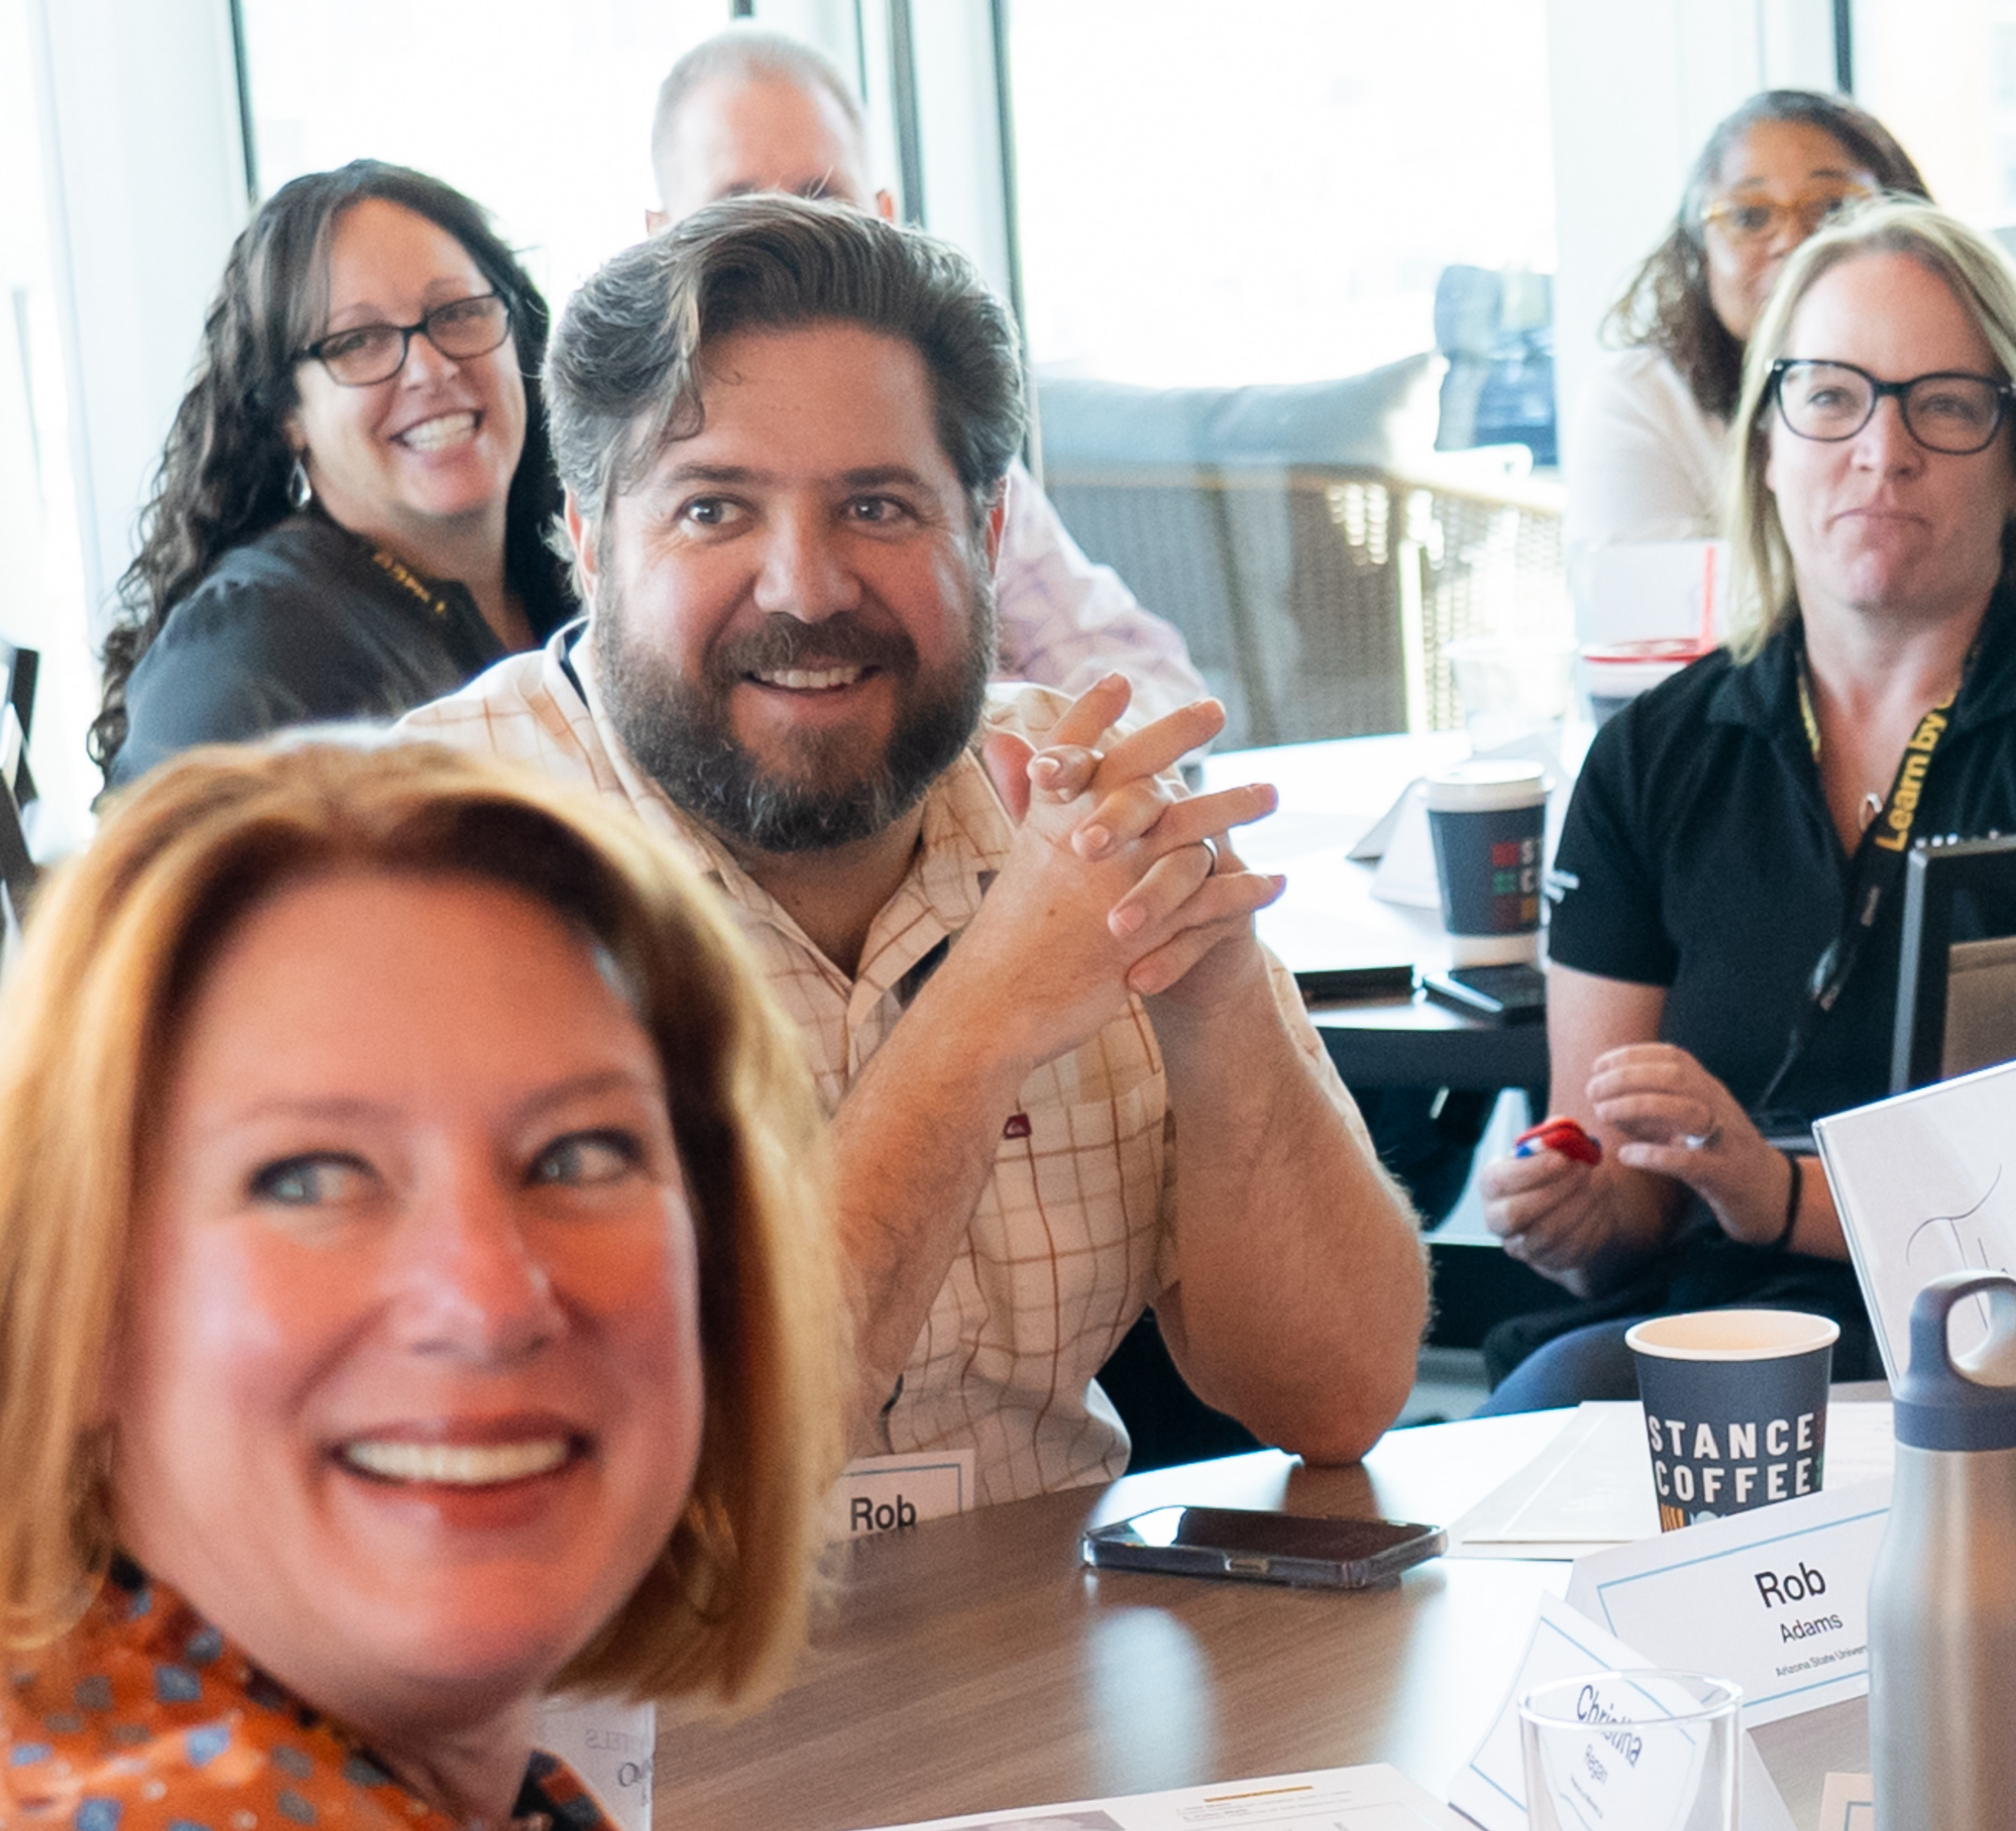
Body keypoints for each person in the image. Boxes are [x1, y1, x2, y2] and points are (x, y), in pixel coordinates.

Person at [396, 196, 1418, 1495]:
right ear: (591, 543)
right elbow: (681, 1470)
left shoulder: (1065, 799)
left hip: (1052, 1655)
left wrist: (1216, 1006)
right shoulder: (421, 864)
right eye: (714, 512)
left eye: (878, 507)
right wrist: (989, 1013)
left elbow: (1336, 1396)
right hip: (625, 1688)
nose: (807, 588)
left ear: (986, 537)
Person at [0, 736, 840, 1831]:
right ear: (78, 1308)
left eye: (580, 1154)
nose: (489, 1299)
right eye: (308, 1177)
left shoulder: (413, 1799)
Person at [1472, 198, 2016, 1407]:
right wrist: (1575, 1210)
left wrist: (1775, 1192)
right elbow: (1625, 1206)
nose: (1878, 452)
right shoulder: (1652, 756)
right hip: (1719, 1334)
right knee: (1543, 1406)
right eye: (1831, 397)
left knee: (1555, 1403)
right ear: (1767, 448)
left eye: (1942, 405)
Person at [643, 25, 1206, 717]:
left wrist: (1020, 769)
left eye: (822, 199)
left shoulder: (940, 447)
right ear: (660, 239)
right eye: (738, 203)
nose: (789, 234)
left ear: (884, 220)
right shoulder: (631, 476)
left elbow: (1151, 687)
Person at [98, 163, 569, 789]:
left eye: (458, 311)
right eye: (359, 341)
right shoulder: (254, 653)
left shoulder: (571, 575)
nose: (430, 368)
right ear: (288, 415)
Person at [1567, 91, 1935, 577]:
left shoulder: (1968, 382)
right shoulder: (1641, 398)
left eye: (1834, 208)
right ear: (1697, 252)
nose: (1792, 241)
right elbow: (1645, 614)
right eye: (1748, 217)